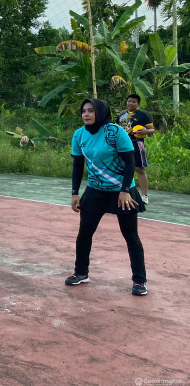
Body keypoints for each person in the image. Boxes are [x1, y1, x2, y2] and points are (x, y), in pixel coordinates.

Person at [66, 99, 147, 296]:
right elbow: (78, 165)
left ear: (100, 112)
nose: (86, 114)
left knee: (130, 236)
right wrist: (75, 193)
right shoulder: (79, 135)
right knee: (85, 233)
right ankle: (81, 273)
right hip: (95, 191)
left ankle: (139, 281)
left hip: (122, 191)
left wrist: (125, 190)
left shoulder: (115, 132)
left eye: (91, 111)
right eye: (84, 111)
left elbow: (130, 162)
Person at [116, 93, 155, 204]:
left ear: (138, 104)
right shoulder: (121, 116)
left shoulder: (143, 115)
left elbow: (152, 129)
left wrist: (146, 131)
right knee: (122, 169)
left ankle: (144, 196)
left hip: (137, 144)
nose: (131, 103)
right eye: (129, 101)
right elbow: (116, 129)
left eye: (133, 101)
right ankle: (122, 192)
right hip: (122, 145)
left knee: (140, 169)